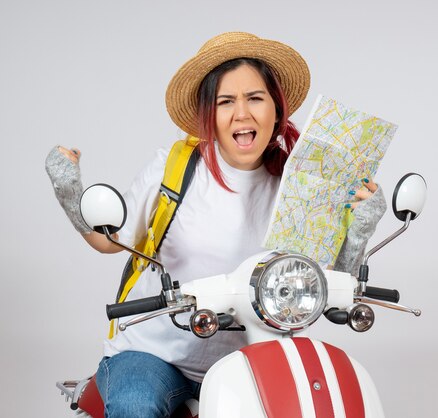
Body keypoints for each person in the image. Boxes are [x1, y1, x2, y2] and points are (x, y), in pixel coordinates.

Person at [46, 32, 386, 417]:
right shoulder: (175, 169)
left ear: (277, 109)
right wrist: (71, 194)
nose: (242, 113)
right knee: (136, 405)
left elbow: (328, 280)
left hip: (253, 359)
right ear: (210, 114)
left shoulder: (303, 185)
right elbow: (111, 240)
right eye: (226, 101)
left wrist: (360, 226)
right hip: (155, 356)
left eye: (255, 98)